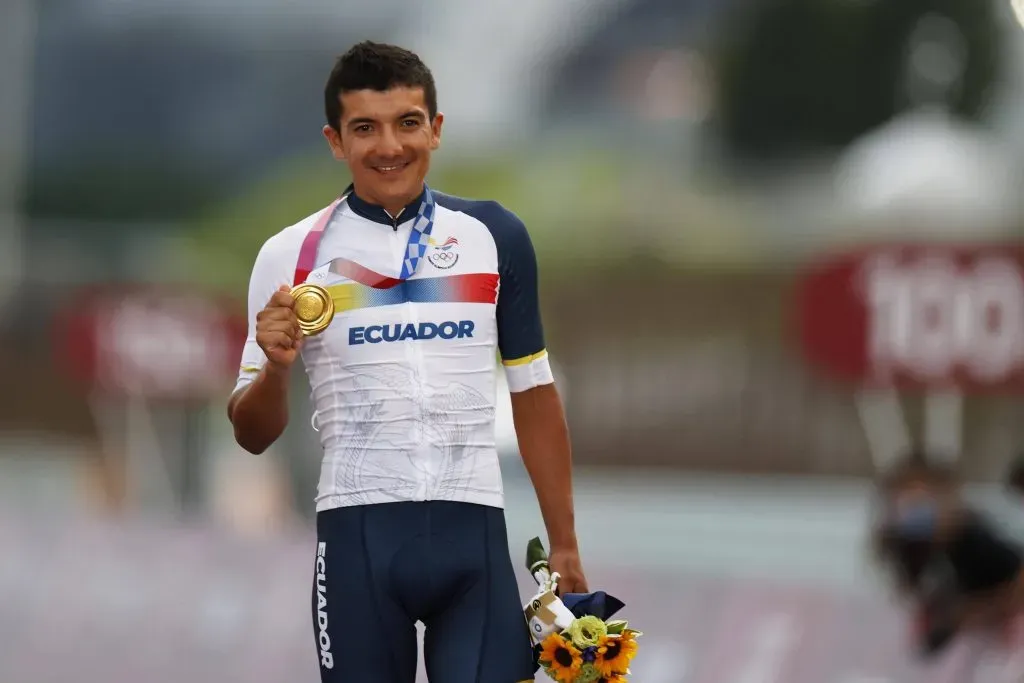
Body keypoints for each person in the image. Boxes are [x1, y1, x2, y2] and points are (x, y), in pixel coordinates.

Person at [226, 41, 586, 683]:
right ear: (336, 141)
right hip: (357, 546)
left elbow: (533, 394)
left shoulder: (495, 236)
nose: (390, 146)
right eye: (366, 128)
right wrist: (277, 368)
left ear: (435, 129)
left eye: (408, 123)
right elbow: (252, 434)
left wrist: (564, 542)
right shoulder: (290, 256)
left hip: (473, 542)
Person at [871, 452, 1024, 658]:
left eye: (922, 500)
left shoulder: (976, 541)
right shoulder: (909, 548)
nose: (914, 509)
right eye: (907, 499)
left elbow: (1016, 584)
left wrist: (970, 615)